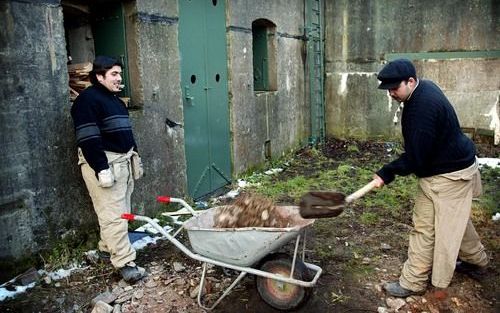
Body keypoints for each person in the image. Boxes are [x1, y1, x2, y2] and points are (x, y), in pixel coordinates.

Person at [373, 59, 488, 297]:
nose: (392, 93)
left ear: (411, 81)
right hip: (453, 166)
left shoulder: (420, 111)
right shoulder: (425, 87)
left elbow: (416, 159)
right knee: (456, 219)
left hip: (448, 176)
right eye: (388, 89)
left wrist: (387, 172)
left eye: (395, 88)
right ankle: (477, 261)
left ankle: (412, 282)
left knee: (426, 228)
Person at [71, 55, 146, 283]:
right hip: (106, 164)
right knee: (113, 216)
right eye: (114, 74)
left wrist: (136, 155)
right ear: (99, 76)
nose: (119, 78)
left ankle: (106, 248)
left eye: (119, 74)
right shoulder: (87, 100)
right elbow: (88, 136)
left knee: (121, 211)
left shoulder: (116, 101)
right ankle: (125, 263)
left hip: (123, 162)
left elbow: (125, 133)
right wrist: (101, 168)